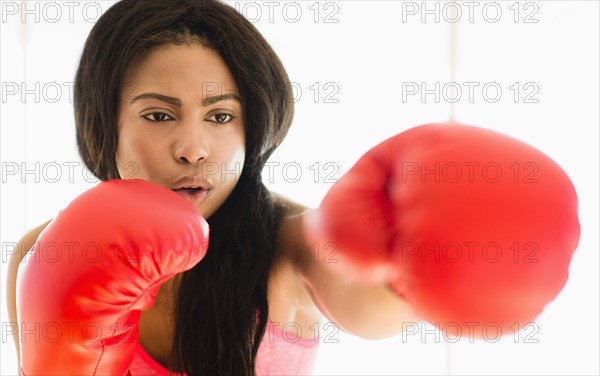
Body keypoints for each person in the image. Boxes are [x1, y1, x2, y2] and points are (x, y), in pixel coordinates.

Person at [6, 0, 580, 375]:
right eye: (159, 116)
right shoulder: (46, 251)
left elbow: (371, 305)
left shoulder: (291, 244)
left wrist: (447, 253)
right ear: (104, 126)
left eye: (221, 117)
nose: (193, 148)